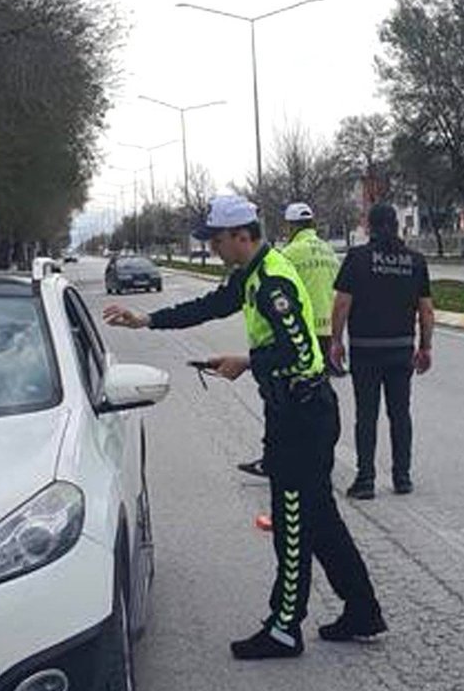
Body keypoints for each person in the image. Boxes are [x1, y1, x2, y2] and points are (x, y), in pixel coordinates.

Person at [104, 195, 385, 660]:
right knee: (321, 520)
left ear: (241, 235)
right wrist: (148, 320)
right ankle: (363, 611)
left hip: (301, 415)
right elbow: (211, 305)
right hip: (296, 410)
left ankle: (284, 628)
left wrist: (246, 362)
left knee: (291, 524)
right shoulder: (251, 274)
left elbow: (299, 351)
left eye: (216, 240)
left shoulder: (272, 280)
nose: (213, 248)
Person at [329, 203, 435, 499]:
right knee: (400, 414)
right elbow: (426, 310)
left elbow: (342, 304)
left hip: (365, 349)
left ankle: (365, 480)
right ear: (397, 226)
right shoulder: (415, 261)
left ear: (368, 226)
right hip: (401, 348)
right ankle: (402, 478)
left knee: (367, 415)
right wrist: (425, 347)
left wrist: (336, 341)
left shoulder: (357, 258)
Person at [236, 201, 343, 479]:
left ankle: (276, 459)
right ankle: (316, 452)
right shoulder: (329, 251)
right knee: (316, 391)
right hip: (326, 330)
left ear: (291, 226)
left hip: (299, 328)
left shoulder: (289, 254)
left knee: (281, 397)